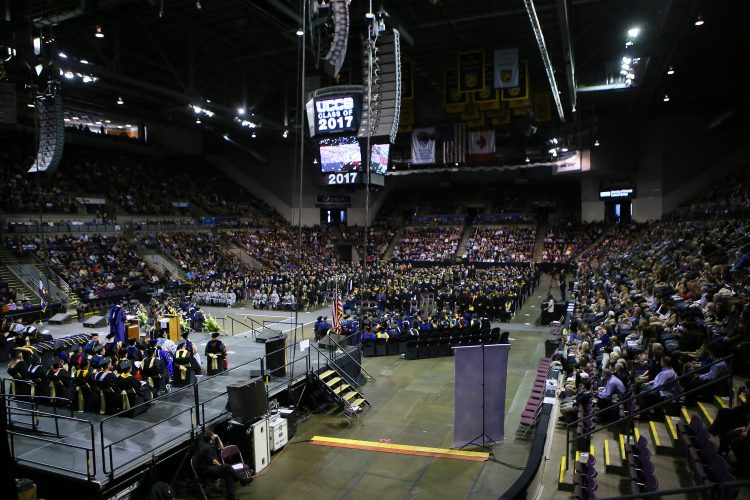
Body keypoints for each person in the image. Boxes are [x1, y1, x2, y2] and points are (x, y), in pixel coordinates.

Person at [193, 431, 251, 500]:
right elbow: (214, 461)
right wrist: (222, 467)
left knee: (227, 474)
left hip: (212, 469)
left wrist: (218, 437)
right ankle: (242, 480)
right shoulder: (207, 448)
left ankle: (231, 496)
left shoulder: (211, 445)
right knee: (227, 467)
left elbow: (222, 448)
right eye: (213, 435)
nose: (215, 435)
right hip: (205, 471)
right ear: (211, 437)